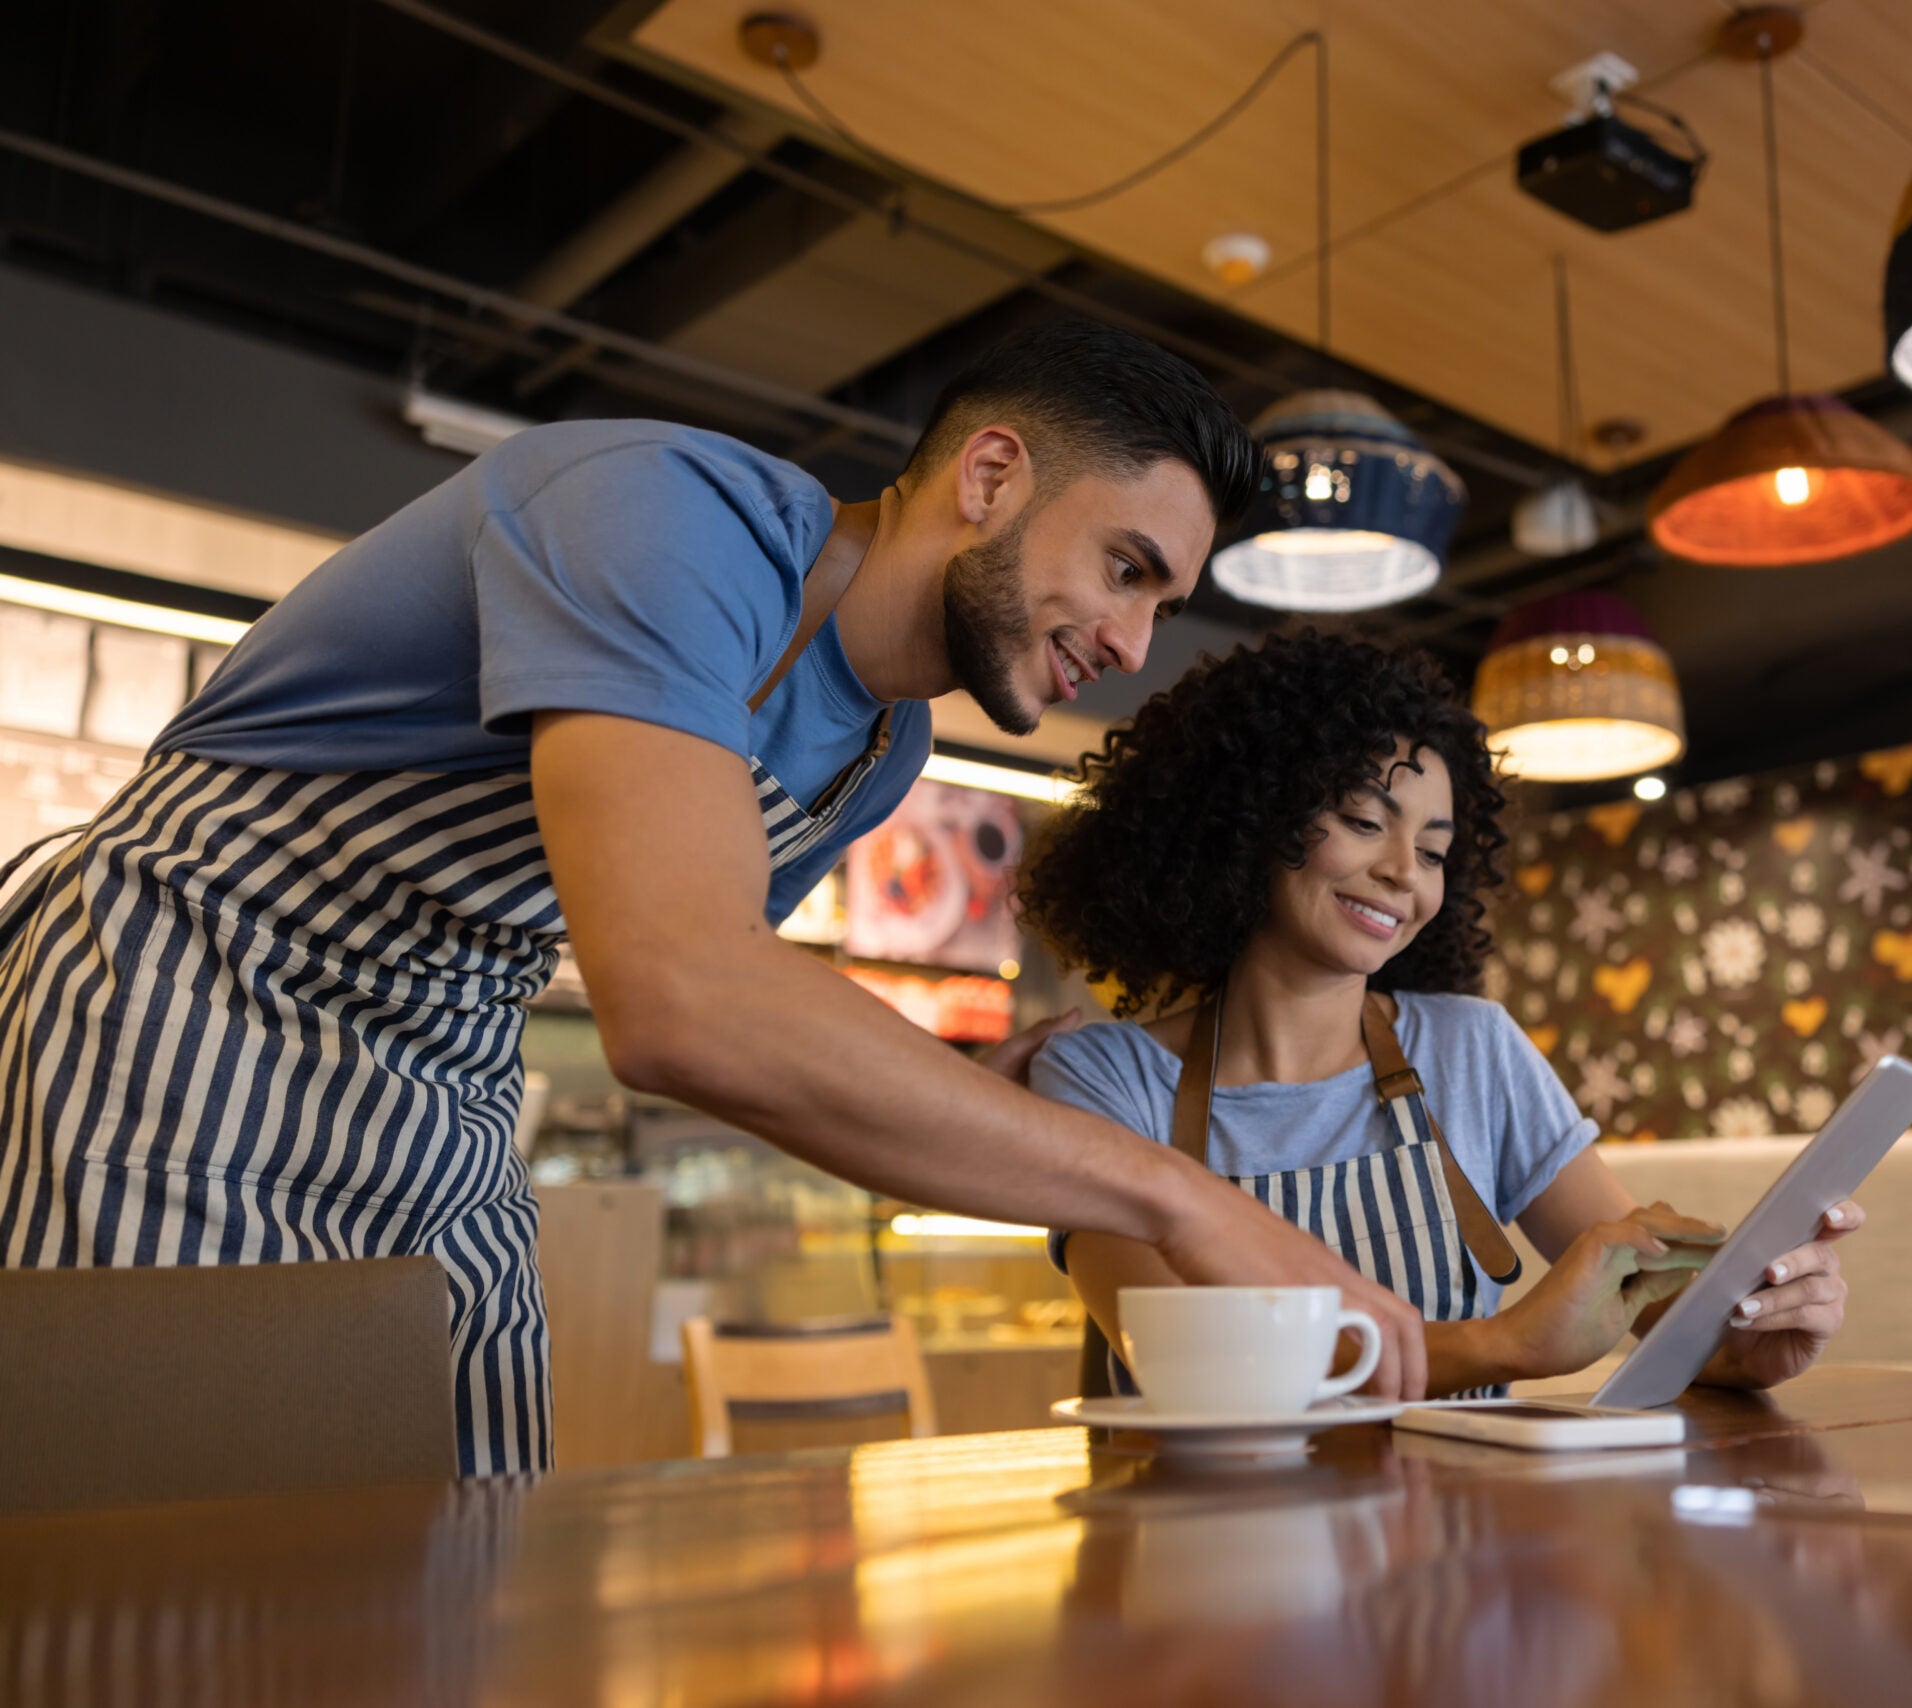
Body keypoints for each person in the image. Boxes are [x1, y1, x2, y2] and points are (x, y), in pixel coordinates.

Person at [0, 320, 1428, 1475]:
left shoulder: (885, 749)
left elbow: (742, 1022)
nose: (1128, 644)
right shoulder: (668, 517)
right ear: (989, 475)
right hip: (191, 1003)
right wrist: (1181, 1198)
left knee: (467, 1525)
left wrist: (975, 1083)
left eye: (1162, 610)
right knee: (162, 1561)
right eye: (1127, 570)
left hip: (444, 1076)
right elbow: (683, 1003)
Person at [1019, 631, 1863, 1399]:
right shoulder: (1102, 1079)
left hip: (1462, 1539)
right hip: (1214, 1547)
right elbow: (1187, 1369)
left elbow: (1653, 1317)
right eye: (1362, 821)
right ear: (1245, 820)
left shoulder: (1473, 1049)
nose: (1403, 873)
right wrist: (1504, 1345)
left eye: (1433, 851)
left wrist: (1744, 1346)